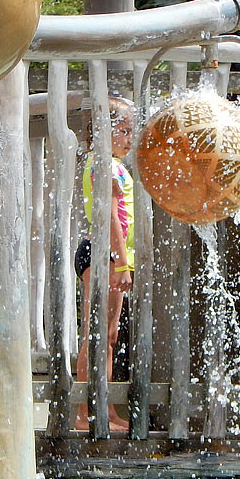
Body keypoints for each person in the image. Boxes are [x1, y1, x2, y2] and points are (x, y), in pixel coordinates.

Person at [74, 97, 135, 431]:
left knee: (108, 337)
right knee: (95, 335)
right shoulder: (106, 165)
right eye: (123, 131)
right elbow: (110, 216)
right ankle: (84, 412)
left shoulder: (112, 164)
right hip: (104, 256)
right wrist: (123, 263)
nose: (129, 138)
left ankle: (106, 408)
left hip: (109, 256)